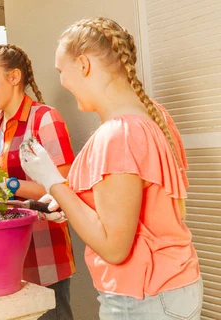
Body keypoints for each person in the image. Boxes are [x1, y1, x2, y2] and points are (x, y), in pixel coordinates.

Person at [21, 17, 202, 319]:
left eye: (60, 71)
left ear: (83, 65)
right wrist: (70, 198)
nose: (62, 82)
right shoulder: (154, 115)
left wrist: (52, 180)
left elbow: (114, 248)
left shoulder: (118, 135)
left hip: (144, 299)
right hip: (176, 289)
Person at [0, 44, 75, 320]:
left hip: (43, 257)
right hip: (0, 259)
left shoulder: (44, 119)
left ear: (14, 77)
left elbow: (64, 188)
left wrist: (10, 186)